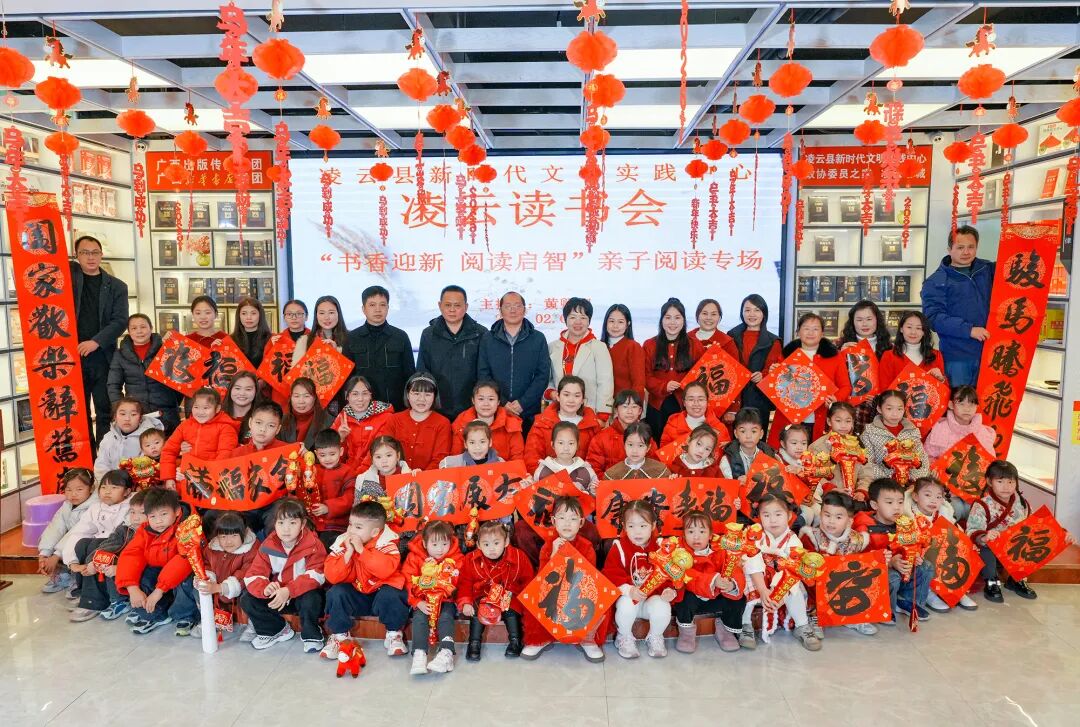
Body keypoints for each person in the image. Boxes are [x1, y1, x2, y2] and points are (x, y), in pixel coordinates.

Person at [321, 500, 410, 660]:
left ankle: (394, 634)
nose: (351, 531)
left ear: (375, 532)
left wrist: (362, 551)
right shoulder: (342, 543)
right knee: (336, 592)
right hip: (359, 594)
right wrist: (348, 554)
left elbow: (385, 570)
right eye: (350, 524)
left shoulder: (387, 543)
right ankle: (340, 636)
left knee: (394, 592)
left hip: (381, 595)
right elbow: (332, 576)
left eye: (358, 527)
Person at [520, 495, 605, 662]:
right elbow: (543, 578)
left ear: (581, 522)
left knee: (601, 599)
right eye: (562, 518)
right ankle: (540, 638)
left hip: (578, 592)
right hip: (554, 592)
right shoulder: (548, 545)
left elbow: (590, 577)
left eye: (573, 519)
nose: (567, 523)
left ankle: (587, 639)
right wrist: (553, 556)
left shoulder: (587, 546)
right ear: (553, 521)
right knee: (533, 596)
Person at [240, 497, 327, 652]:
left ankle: (311, 634)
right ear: (275, 524)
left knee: (312, 597)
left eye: (292, 523)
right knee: (247, 598)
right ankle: (276, 630)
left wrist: (289, 590)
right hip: (279, 596)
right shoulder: (268, 544)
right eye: (281, 523)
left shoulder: (313, 544)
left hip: (300, 594)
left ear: (303, 524)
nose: (286, 529)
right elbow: (253, 574)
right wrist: (265, 588)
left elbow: (317, 575)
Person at [71, 235, 129, 446]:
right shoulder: (69, 279)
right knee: (77, 412)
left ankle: (105, 456)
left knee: (105, 409)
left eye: (95, 252)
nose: (90, 257)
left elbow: (120, 321)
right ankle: (86, 457)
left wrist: (95, 341)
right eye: (85, 253)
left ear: (101, 255)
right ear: (76, 256)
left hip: (103, 357)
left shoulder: (117, 286)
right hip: (73, 357)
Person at [742, 494, 821, 651]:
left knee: (795, 587)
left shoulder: (793, 540)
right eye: (766, 515)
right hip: (758, 578)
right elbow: (751, 560)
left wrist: (778, 594)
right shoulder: (755, 534)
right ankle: (745, 625)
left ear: (789, 516)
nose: (772, 520)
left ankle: (802, 625)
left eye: (778, 514)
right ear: (759, 517)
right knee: (744, 581)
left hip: (781, 582)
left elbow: (792, 570)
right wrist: (763, 590)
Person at [922, 224, 994, 386]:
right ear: (949, 249)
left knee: (990, 400)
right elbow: (933, 318)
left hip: (993, 352)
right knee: (959, 399)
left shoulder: (988, 270)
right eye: (960, 247)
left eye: (971, 247)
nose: (966, 252)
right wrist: (969, 330)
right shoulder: (935, 281)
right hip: (957, 357)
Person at [604, 500, 677, 659]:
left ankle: (655, 636)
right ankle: (624, 637)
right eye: (631, 526)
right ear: (624, 526)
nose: (637, 532)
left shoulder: (662, 548)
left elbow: (671, 575)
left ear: (653, 526)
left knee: (663, 606)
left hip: (651, 600)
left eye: (643, 526)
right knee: (626, 604)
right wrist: (629, 590)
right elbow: (611, 574)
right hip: (631, 600)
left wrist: (668, 590)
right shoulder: (619, 548)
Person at [855, 478, 934, 624]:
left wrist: (914, 555)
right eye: (889, 502)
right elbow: (861, 561)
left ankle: (908, 602)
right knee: (892, 577)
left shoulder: (905, 524)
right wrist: (890, 562)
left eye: (900, 502)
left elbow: (913, 544)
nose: (896, 507)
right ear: (874, 505)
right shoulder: (864, 527)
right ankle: (885, 608)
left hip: (901, 567)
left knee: (926, 567)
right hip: (875, 574)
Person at [169, 511, 259, 639]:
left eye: (234, 535)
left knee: (251, 593)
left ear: (243, 533)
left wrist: (220, 587)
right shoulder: (212, 547)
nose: (228, 541)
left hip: (237, 589)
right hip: (217, 588)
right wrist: (206, 578)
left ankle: (253, 624)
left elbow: (246, 573)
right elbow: (206, 564)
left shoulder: (251, 549)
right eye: (223, 536)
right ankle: (208, 619)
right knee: (199, 587)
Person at [798, 490, 876, 636]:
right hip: (818, 585)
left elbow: (866, 563)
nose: (831, 521)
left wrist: (882, 559)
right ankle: (816, 615)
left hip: (844, 584)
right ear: (820, 514)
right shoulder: (811, 536)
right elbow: (803, 567)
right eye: (827, 515)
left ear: (850, 521)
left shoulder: (857, 540)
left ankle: (854, 616)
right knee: (808, 579)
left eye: (838, 517)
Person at [115, 487, 191, 634]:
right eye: (152, 516)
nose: (158, 521)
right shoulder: (145, 530)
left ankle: (186, 616)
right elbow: (131, 555)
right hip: (162, 575)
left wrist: (159, 591)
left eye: (164, 514)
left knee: (187, 579)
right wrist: (132, 587)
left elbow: (183, 560)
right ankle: (157, 615)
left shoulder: (189, 528)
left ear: (177, 511)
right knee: (140, 576)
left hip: (178, 575)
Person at [967, 460, 1042, 603]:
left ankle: (1017, 579)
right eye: (1000, 481)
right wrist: (984, 537)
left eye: (1010, 482)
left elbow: (1036, 525)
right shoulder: (982, 504)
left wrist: (1062, 533)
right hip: (989, 548)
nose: (1006, 487)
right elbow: (972, 530)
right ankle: (991, 580)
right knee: (986, 546)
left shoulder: (1022, 504)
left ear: (1016, 483)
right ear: (989, 481)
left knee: (1032, 539)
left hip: (1013, 547)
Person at [457, 520, 533, 661]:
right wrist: (466, 602)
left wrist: (525, 602)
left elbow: (528, 580)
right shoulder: (470, 559)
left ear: (506, 541)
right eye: (486, 544)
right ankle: (474, 643)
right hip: (483, 595)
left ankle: (515, 641)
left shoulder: (518, 557)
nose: (491, 549)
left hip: (509, 595)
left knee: (512, 610)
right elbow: (465, 582)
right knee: (476, 610)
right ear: (478, 545)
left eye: (496, 543)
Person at [69, 488, 148, 623]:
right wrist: (94, 562)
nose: (135, 517)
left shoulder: (151, 533)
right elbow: (109, 543)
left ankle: (120, 601)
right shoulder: (126, 529)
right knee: (90, 549)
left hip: (137, 568)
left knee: (113, 565)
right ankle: (94, 597)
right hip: (123, 563)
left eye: (142, 513)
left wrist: (119, 567)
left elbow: (143, 558)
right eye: (132, 512)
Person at [64, 469, 133, 621]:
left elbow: (122, 537)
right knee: (81, 544)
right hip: (101, 546)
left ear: (127, 491)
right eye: (104, 487)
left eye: (114, 488)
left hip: (121, 547)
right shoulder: (96, 507)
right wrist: (72, 562)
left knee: (95, 546)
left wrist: (93, 560)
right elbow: (79, 531)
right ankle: (86, 593)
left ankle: (93, 602)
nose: (107, 492)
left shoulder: (131, 506)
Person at [477, 291, 550, 428]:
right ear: (500, 310)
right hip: (496, 409)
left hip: (528, 411)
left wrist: (523, 403)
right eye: (508, 306)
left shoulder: (538, 338)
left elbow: (543, 375)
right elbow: (483, 374)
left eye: (517, 306)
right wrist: (502, 402)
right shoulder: (488, 338)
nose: (513, 310)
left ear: (525, 309)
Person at [677, 509, 746, 653]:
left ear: (710, 535)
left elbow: (733, 568)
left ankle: (725, 630)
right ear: (684, 534)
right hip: (694, 599)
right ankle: (686, 633)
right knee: (682, 597)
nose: (696, 537)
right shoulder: (679, 553)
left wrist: (731, 584)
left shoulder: (721, 549)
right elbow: (686, 575)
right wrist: (713, 580)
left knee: (739, 598)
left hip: (716, 597)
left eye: (702, 532)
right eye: (690, 532)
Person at [768, 312, 840, 448]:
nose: (810, 333)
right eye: (806, 328)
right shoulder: (787, 354)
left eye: (815, 329)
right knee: (788, 454)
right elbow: (778, 387)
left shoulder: (834, 356)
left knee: (817, 455)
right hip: (789, 416)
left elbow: (845, 386)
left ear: (822, 333)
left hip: (820, 416)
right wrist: (773, 373)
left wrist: (835, 399)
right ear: (798, 332)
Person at [416, 285, 487, 420]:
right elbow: (422, 372)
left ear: (466, 307)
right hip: (437, 407)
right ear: (440, 306)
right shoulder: (428, 334)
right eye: (448, 305)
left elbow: (484, 373)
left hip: (471, 408)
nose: (452, 310)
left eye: (457, 305)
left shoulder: (480, 333)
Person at [402, 520, 462, 675]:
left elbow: (459, 581)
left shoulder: (456, 558)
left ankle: (446, 653)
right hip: (423, 600)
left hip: (446, 600)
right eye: (434, 545)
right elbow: (408, 581)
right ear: (424, 543)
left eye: (444, 544)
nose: (440, 549)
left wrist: (445, 574)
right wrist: (417, 602)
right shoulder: (415, 557)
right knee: (420, 617)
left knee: (446, 617)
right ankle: (419, 653)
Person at [108, 313, 183, 435]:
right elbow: (113, 385)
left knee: (169, 446)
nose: (139, 331)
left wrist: (172, 403)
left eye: (143, 327)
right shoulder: (120, 354)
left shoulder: (165, 349)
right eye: (134, 328)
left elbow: (179, 381)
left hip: (167, 413)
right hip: (137, 415)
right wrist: (121, 410)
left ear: (151, 328)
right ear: (129, 332)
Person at [643, 298, 705, 444]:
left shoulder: (694, 345)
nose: (672, 322)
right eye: (668, 317)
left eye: (677, 318)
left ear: (684, 320)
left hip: (685, 405)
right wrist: (664, 386)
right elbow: (645, 376)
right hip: (657, 405)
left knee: (684, 443)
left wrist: (687, 386)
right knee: (657, 443)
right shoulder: (650, 345)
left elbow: (703, 375)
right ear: (661, 320)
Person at [344, 285, 415, 411]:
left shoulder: (400, 336)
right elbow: (347, 379)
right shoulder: (352, 338)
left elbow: (410, 375)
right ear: (363, 309)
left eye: (382, 305)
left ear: (388, 308)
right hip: (362, 407)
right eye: (372, 305)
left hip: (395, 407)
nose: (378, 309)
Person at [546, 297, 614, 419]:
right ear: (565, 320)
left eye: (583, 318)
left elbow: (605, 383)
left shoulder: (599, 347)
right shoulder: (552, 347)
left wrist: (602, 415)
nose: (578, 322)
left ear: (589, 321)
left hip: (589, 413)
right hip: (559, 412)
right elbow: (547, 379)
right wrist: (550, 392)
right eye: (573, 317)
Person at [160, 388, 240, 489]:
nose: (200, 412)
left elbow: (225, 456)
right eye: (196, 407)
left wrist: (204, 478)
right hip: (186, 479)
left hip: (213, 482)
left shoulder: (226, 428)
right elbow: (168, 451)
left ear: (217, 408)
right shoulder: (185, 425)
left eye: (206, 408)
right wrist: (169, 478)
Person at [858, 390, 932, 499]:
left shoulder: (912, 431)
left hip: (911, 485)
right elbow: (866, 462)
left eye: (899, 409)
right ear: (879, 409)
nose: (895, 413)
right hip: (882, 483)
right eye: (889, 409)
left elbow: (922, 459)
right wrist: (890, 478)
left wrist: (913, 482)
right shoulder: (869, 432)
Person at [728, 294, 782, 435]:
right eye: (747, 310)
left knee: (756, 437)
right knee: (733, 438)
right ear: (742, 313)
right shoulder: (731, 336)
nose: (752, 314)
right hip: (734, 397)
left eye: (757, 310)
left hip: (759, 398)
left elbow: (774, 369)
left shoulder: (773, 341)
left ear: (764, 313)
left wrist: (763, 375)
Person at [38, 468, 96, 596]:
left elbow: (78, 532)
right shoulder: (67, 505)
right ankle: (64, 574)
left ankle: (78, 579)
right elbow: (55, 527)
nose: (73, 494)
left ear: (91, 488)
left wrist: (57, 555)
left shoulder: (95, 506)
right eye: (68, 490)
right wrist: (44, 554)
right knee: (51, 539)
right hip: (70, 542)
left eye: (79, 489)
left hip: (88, 540)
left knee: (80, 546)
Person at [523, 375, 600, 472]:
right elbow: (532, 458)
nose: (571, 400)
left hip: (582, 479)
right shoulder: (542, 423)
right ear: (558, 397)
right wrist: (548, 477)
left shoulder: (592, 425)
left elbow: (596, 461)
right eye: (566, 395)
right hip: (548, 478)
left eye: (577, 396)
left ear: (583, 400)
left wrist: (584, 477)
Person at [838, 300, 892, 433]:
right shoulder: (842, 345)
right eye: (859, 320)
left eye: (869, 319)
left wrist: (879, 398)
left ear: (877, 320)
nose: (864, 324)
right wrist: (839, 355)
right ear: (852, 322)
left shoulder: (889, 348)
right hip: (850, 409)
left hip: (881, 408)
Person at [806, 402, 866, 520]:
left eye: (848, 421)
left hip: (854, 500)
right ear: (829, 421)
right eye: (838, 421)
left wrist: (862, 491)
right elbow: (812, 474)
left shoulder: (858, 445)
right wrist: (832, 489)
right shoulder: (817, 446)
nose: (843, 425)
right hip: (828, 499)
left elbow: (866, 472)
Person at [384, 372, 452, 471]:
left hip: (430, 477)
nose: (421, 399)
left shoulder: (443, 423)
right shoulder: (393, 420)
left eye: (427, 394)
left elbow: (440, 459)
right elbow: (383, 451)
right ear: (407, 395)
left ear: (434, 396)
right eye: (416, 394)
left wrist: (421, 476)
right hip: (395, 476)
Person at [307, 429, 361, 550]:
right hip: (313, 522)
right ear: (316, 454)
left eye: (332, 454)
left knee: (326, 546)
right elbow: (304, 492)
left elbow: (350, 498)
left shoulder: (347, 472)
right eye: (322, 455)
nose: (327, 459)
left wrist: (328, 507)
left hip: (336, 525)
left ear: (341, 451)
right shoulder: (311, 470)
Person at [451, 381, 525, 462]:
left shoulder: (511, 424)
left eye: (491, 399)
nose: (486, 404)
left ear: (498, 402)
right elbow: (455, 460)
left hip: (504, 469)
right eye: (481, 399)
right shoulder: (461, 423)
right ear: (473, 400)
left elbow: (517, 460)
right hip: (468, 469)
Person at [586, 389, 653, 475]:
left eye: (634, 407)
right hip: (609, 482)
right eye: (625, 406)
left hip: (640, 482)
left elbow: (654, 467)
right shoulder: (601, 438)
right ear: (616, 410)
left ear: (640, 411)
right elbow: (593, 470)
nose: (630, 411)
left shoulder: (646, 436)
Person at [93, 398, 163, 480]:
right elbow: (101, 465)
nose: (127, 419)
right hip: (111, 483)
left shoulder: (150, 438)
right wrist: (108, 482)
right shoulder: (108, 438)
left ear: (140, 418)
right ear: (115, 416)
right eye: (122, 414)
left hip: (140, 482)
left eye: (133, 414)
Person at [332, 375, 394, 466]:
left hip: (376, 470)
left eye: (365, 393)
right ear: (347, 396)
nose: (360, 399)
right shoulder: (341, 419)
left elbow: (381, 453)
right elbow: (332, 458)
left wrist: (359, 473)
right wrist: (341, 439)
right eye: (355, 394)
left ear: (370, 396)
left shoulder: (386, 417)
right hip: (348, 471)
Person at [878, 311, 948, 389]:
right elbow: (884, 390)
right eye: (909, 327)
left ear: (924, 332)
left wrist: (941, 379)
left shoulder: (936, 355)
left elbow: (944, 390)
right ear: (901, 329)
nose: (913, 332)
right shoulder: (889, 356)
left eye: (918, 328)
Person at [659, 380, 729, 448]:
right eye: (691, 399)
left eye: (701, 399)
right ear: (684, 403)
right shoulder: (672, 426)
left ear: (707, 402)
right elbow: (664, 452)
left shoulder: (720, 428)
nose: (696, 404)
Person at [602, 304, 646, 404]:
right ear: (606, 322)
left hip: (625, 405)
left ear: (628, 324)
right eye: (611, 321)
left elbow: (638, 383)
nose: (615, 326)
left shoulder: (633, 347)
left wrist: (632, 406)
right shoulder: (599, 346)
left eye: (620, 322)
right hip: (601, 405)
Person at [719, 408, 776, 481]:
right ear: (736, 434)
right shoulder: (727, 460)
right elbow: (725, 485)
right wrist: (736, 483)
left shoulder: (771, 456)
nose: (748, 436)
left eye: (754, 431)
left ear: (761, 434)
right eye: (743, 431)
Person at [603, 422, 670, 480]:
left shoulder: (661, 471)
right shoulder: (611, 474)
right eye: (630, 445)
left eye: (640, 445)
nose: (634, 451)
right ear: (624, 445)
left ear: (648, 448)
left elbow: (668, 489)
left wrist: (672, 480)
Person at [293, 295, 348, 366]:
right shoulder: (304, 341)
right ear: (316, 316)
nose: (326, 317)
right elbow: (296, 370)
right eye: (322, 313)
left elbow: (355, 370)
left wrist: (336, 352)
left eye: (331, 312)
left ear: (338, 314)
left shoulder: (350, 338)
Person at [279, 377, 333, 449]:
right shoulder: (282, 421)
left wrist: (310, 454)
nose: (301, 401)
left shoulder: (328, 421)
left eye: (306, 396)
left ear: (314, 398)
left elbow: (330, 451)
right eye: (296, 396)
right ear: (291, 398)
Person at [354, 435, 410, 501]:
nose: (384, 461)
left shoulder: (410, 477)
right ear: (372, 460)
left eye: (388, 455)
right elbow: (357, 505)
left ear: (398, 456)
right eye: (378, 457)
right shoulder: (363, 480)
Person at [231, 297, 272, 370]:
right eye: (244, 313)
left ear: (260, 315)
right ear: (239, 316)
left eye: (253, 313)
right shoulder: (231, 340)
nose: (248, 317)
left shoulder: (270, 339)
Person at [222, 371, 262, 442]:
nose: (242, 393)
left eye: (248, 389)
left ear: (256, 391)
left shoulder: (263, 418)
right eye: (237, 388)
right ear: (230, 389)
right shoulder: (218, 416)